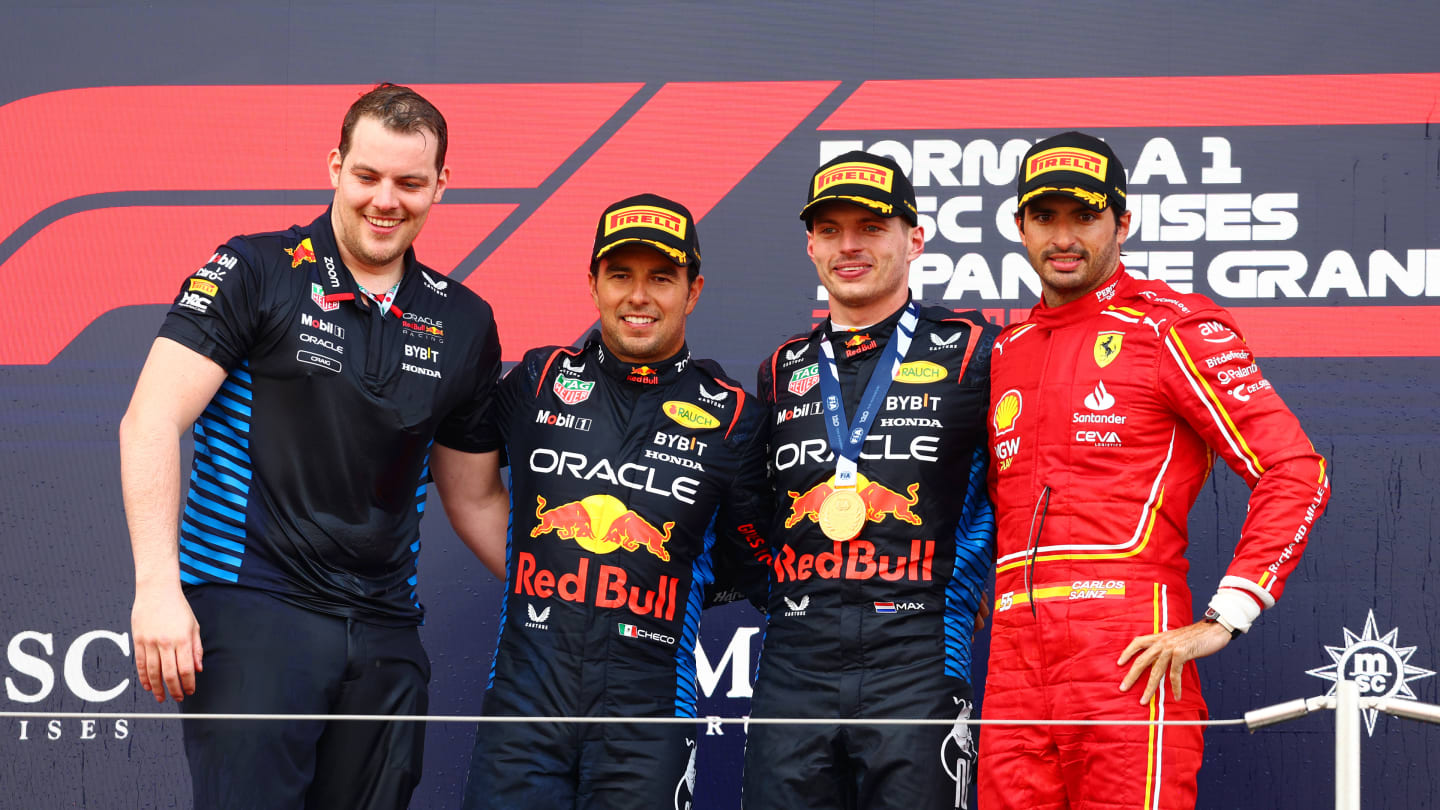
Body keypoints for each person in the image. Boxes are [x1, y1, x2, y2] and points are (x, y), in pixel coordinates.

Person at [118, 83, 509, 809]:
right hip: (253, 610)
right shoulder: (253, 269)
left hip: (388, 631)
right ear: (335, 166)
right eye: (367, 176)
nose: (385, 200)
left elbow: (474, 495)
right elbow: (149, 420)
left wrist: (562, 592)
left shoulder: (463, 319)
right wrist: (156, 588)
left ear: (441, 186)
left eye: (409, 182)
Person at [979, 131, 1332, 809]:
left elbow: (1295, 469)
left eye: (1084, 216)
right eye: (1045, 217)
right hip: (1014, 664)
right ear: (1020, 225)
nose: (1063, 237)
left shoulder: (1169, 328)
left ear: (1123, 222)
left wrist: (1229, 612)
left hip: (1129, 654)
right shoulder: (1007, 351)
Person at [460, 193, 772, 810]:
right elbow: (460, 471)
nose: (639, 296)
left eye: (661, 278)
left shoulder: (734, 416)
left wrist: (651, 585)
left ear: (694, 290)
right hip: (523, 710)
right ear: (594, 284)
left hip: (650, 717)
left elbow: (752, 563)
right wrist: (545, 571)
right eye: (620, 275)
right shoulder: (539, 380)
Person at [743, 151, 1000, 810]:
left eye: (871, 227)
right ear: (810, 245)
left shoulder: (975, 351)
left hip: (917, 660)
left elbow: (1026, 494)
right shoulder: (781, 370)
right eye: (830, 230)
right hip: (792, 664)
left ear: (914, 239)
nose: (849, 245)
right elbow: (749, 511)